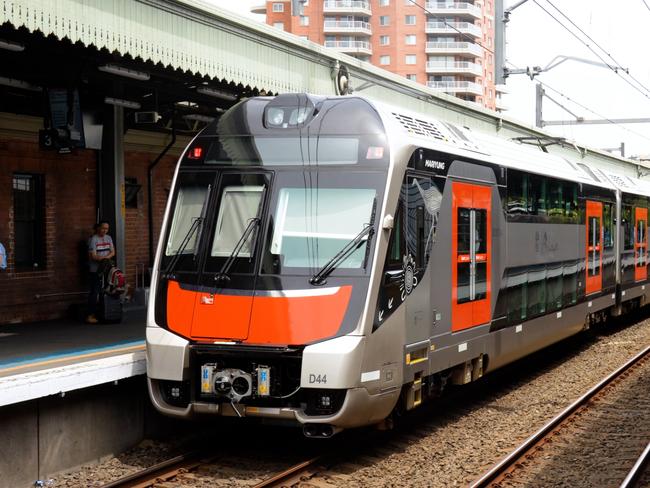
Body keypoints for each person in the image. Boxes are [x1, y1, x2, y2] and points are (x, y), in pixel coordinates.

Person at [87, 221, 115, 323]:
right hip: (95, 270)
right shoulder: (93, 239)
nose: (105, 230)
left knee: (107, 290)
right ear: (98, 228)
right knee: (95, 292)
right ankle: (90, 315)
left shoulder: (108, 238)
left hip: (106, 269)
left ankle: (104, 313)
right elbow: (93, 256)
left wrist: (105, 259)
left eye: (106, 229)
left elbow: (113, 252)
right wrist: (104, 259)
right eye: (103, 228)